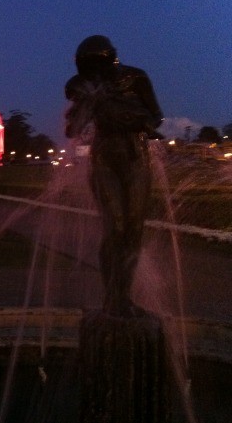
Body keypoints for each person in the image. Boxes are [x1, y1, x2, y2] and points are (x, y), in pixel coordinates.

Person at [64, 35, 163, 317]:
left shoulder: (136, 78)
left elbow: (157, 116)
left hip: (136, 157)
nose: (94, 74)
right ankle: (113, 298)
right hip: (104, 158)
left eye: (97, 66)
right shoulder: (88, 88)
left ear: (109, 60)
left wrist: (131, 116)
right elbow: (73, 129)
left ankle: (124, 296)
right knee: (115, 228)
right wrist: (85, 110)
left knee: (133, 231)